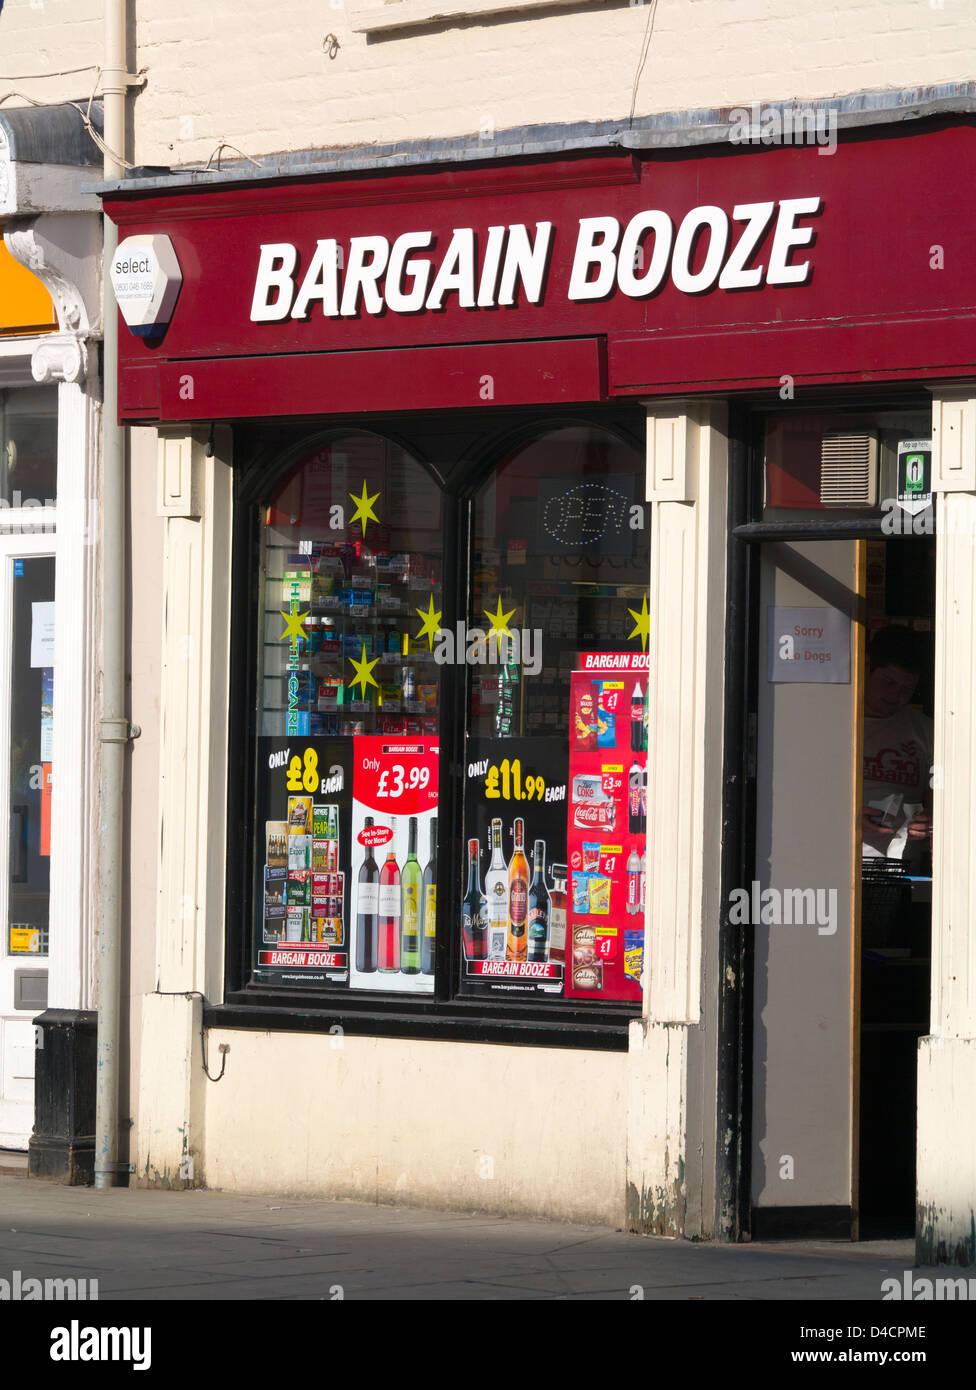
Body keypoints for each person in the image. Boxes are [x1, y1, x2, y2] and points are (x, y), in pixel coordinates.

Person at [862, 626, 933, 861]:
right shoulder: (835, 722)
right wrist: (845, 817)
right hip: (833, 858)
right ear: (866, 666)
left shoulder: (926, 731)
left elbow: (941, 800)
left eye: (906, 689)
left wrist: (931, 822)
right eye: (888, 682)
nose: (894, 696)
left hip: (899, 867)